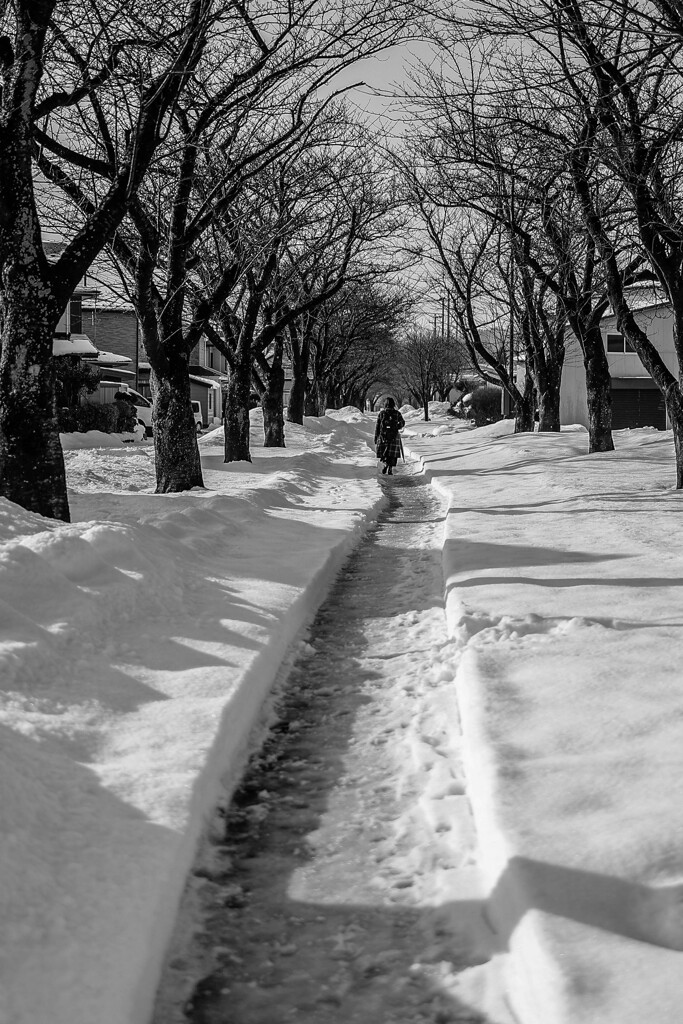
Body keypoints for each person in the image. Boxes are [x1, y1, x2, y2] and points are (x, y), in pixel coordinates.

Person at [374, 397, 405, 476]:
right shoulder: (397, 413)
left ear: (385, 404)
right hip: (394, 436)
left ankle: (385, 464)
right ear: (393, 404)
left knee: (385, 452)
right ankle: (390, 467)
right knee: (392, 454)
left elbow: (377, 426)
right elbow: (402, 423)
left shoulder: (381, 413)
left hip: (383, 436)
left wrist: (376, 437)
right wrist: (396, 427)